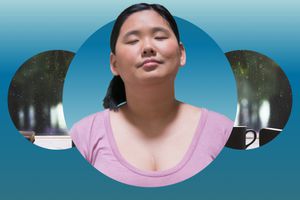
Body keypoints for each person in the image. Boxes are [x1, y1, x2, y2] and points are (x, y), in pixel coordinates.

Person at [70, 3, 233, 187]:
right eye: (132, 41)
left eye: (160, 37)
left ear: (181, 54)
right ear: (114, 64)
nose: (148, 47)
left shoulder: (222, 130)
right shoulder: (84, 134)